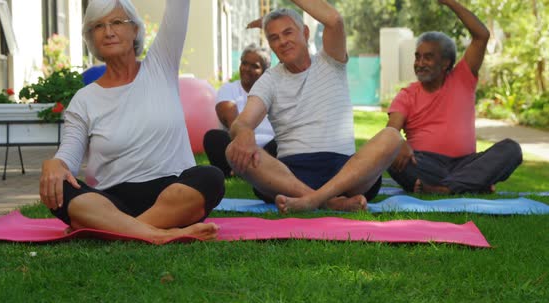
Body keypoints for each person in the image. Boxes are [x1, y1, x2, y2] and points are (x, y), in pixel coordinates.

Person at [39, 0, 225, 244]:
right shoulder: (84, 100)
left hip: (172, 193)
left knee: (211, 177)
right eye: (98, 26)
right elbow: (69, 159)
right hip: (111, 201)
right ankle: (159, 234)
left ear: (135, 29)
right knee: (61, 189)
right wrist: (55, 164)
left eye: (117, 22)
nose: (108, 31)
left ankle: (115, 230)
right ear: (91, 38)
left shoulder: (161, 65)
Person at [226, 0, 402, 213]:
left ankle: (314, 199)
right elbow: (242, 122)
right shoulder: (269, 80)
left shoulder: (331, 61)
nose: (282, 41)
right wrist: (244, 133)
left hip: (346, 173)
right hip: (291, 175)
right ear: (270, 45)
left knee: (392, 137)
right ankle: (327, 201)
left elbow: (334, 20)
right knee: (232, 150)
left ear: (306, 33)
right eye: (274, 38)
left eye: (288, 32)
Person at [386, 0, 522, 194]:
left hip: (465, 163)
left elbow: (481, 35)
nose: (420, 63)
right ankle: (473, 184)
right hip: (424, 163)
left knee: (511, 150)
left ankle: (446, 188)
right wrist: (399, 143)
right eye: (417, 56)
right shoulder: (406, 95)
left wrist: (450, 3)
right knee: (391, 155)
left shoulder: (463, 78)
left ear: (445, 63)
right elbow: (390, 132)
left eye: (428, 57)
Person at [203, 44, 277, 178]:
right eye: (244, 63)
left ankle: (249, 169)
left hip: (268, 150)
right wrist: (248, 149)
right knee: (213, 137)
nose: (247, 69)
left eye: (254, 66)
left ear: (265, 71)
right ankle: (245, 169)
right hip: (237, 145)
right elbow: (232, 123)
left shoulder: (274, 91)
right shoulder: (229, 89)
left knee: (281, 142)